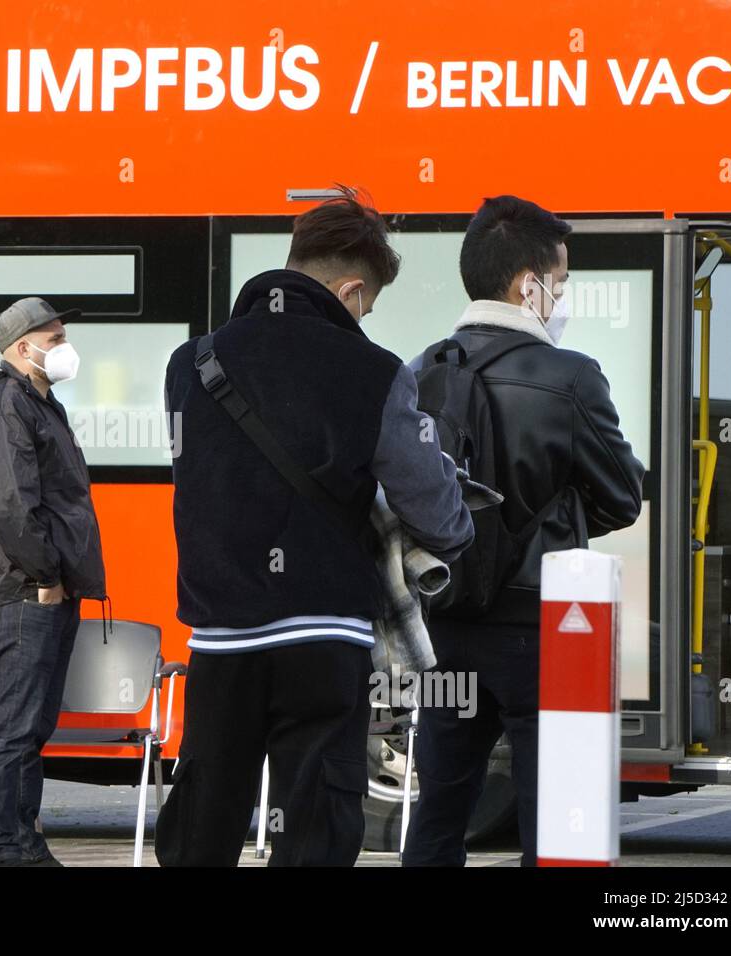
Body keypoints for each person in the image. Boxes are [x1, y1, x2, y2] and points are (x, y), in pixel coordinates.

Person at [156, 188, 473, 866]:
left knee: (202, 826)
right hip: (323, 637)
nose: (362, 318)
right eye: (366, 305)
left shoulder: (192, 365)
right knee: (316, 830)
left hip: (219, 638)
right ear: (352, 288)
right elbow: (437, 514)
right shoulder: (375, 371)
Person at [402, 195, 645, 867]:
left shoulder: (421, 371)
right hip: (540, 631)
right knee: (553, 810)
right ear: (527, 284)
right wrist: (558, 517)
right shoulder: (570, 378)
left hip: (443, 627)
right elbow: (623, 496)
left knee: (441, 805)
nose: (562, 298)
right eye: (560, 284)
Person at [0, 297, 108, 867]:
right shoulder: (2, 406)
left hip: (43, 593)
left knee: (30, 727)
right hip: (24, 595)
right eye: (54, 335)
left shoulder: (38, 404)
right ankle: (9, 849)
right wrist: (45, 577)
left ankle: (22, 843)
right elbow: (9, 504)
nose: (64, 346)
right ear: (23, 348)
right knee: (15, 730)